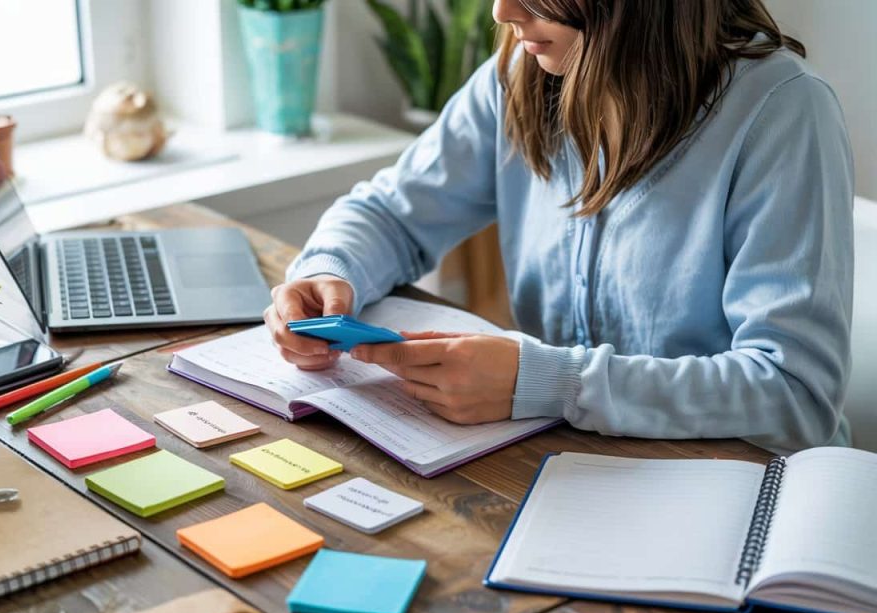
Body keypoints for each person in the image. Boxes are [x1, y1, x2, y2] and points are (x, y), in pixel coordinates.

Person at [263, 0, 854, 454]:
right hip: (571, 464)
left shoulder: (782, 110)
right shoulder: (518, 75)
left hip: (741, 488)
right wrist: (328, 271)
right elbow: (390, 213)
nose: (502, 12)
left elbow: (794, 395)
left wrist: (551, 382)